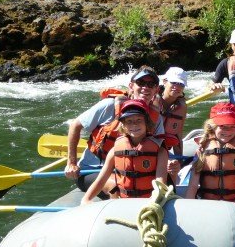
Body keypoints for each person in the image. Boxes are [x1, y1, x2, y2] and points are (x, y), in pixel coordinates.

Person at [65, 65, 165, 196]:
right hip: (93, 170)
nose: (145, 87)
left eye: (151, 84)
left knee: (167, 187)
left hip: (129, 170)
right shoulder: (110, 105)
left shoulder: (155, 117)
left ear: (156, 89)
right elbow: (75, 125)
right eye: (140, 83)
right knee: (116, 187)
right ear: (131, 86)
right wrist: (71, 163)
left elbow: (158, 148)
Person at [81, 99, 168, 204]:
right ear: (123, 126)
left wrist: (153, 204)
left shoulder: (160, 152)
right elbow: (101, 180)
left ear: (147, 122)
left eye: (139, 120)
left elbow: (160, 183)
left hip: (149, 202)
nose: (134, 125)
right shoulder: (114, 151)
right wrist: (87, 198)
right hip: (124, 203)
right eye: (129, 121)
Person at [185, 102, 235, 204]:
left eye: (232, 126)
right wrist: (188, 205)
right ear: (213, 127)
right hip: (208, 203)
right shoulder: (203, 147)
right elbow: (193, 185)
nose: (228, 131)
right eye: (223, 126)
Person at [158, 67, 188, 185]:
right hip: (148, 148)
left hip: (164, 151)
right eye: (173, 82)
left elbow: (177, 135)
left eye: (181, 84)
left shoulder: (182, 106)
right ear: (165, 82)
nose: (177, 86)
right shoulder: (153, 100)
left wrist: (179, 160)